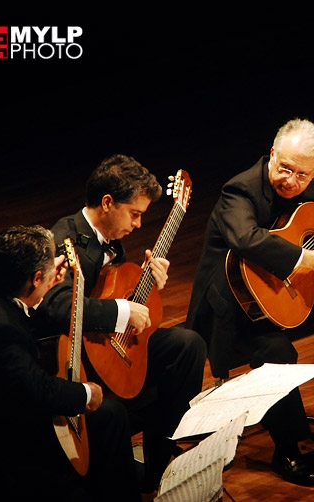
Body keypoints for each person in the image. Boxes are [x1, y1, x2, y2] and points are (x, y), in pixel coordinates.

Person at [184, 118, 314, 487]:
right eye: (285, 168)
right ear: (272, 154)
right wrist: (305, 260)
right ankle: (287, 450)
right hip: (237, 312)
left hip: (289, 299)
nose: (291, 181)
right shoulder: (240, 189)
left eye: (302, 175)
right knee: (276, 350)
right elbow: (246, 238)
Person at [36, 155, 207, 496]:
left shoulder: (113, 242)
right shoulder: (65, 239)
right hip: (75, 362)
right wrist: (122, 310)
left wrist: (147, 283)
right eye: (134, 213)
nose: (139, 224)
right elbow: (59, 305)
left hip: (108, 352)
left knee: (187, 344)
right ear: (107, 203)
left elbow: (112, 292)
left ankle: (161, 462)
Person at [0, 225, 141, 501]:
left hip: (1, 413)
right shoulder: (1, 333)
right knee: (109, 413)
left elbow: (22, 326)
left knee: (109, 415)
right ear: (35, 278)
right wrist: (88, 393)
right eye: (47, 275)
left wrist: (42, 285)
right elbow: (42, 391)